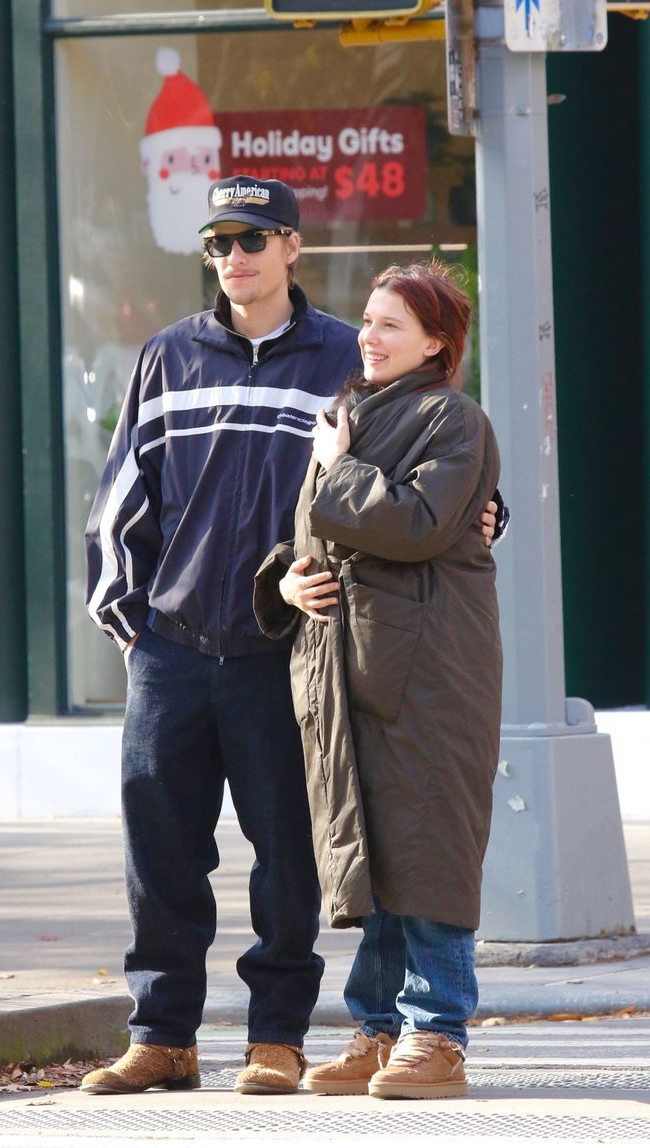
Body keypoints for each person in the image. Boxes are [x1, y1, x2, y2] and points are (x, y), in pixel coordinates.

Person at [83, 175, 500, 1097]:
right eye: (219, 242)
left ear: (292, 247)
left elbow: (430, 468)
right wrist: (130, 624)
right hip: (172, 645)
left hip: (287, 651)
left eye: (253, 238)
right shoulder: (167, 355)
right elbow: (119, 500)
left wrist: (490, 513)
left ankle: (277, 1038)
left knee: (291, 861)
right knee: (161, 852)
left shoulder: (350, 359)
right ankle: (162, 1036)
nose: (234, 256)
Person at [254, 260, 502, 1101]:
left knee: (428, 851)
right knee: (380, 855)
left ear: (436, 342)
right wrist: (287, 582)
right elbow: (313, 537)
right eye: (367, 319)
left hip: (429, 676)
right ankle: (379, 1028)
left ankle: (437, 1035)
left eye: (391, 323)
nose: (369, 335)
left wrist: (338, 467)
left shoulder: (454, 419)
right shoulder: (349, 417)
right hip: (349, 674)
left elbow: (419, 523)